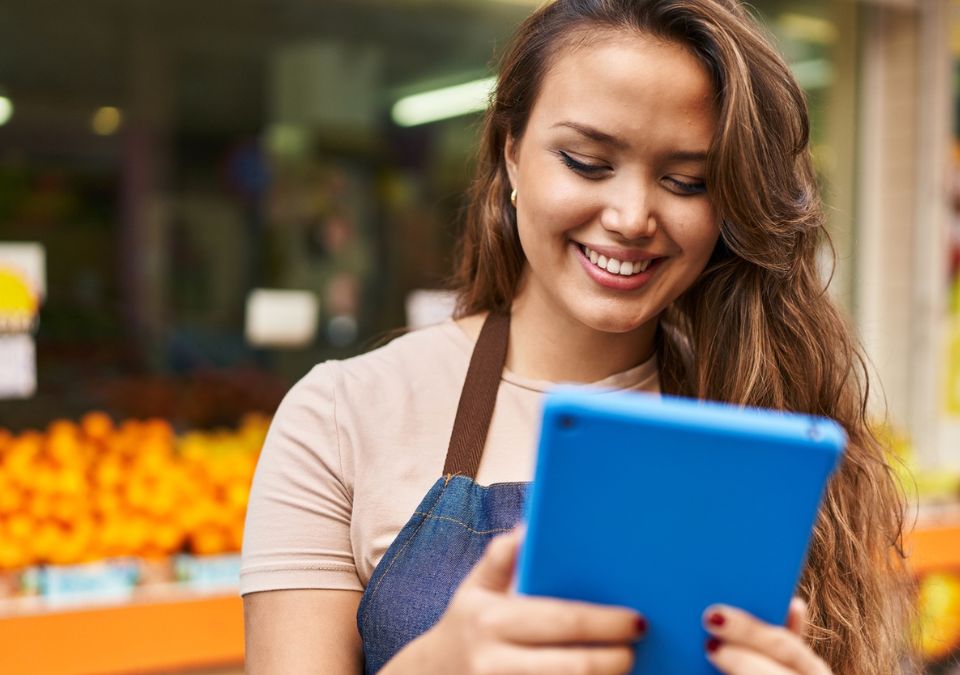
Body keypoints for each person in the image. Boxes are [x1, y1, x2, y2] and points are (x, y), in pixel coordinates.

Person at [240, 1, 911, 673]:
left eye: (687, 181)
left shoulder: (768, 429)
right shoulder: (341, 416)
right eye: (588, 162)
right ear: (511, 154)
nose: (631, 216)